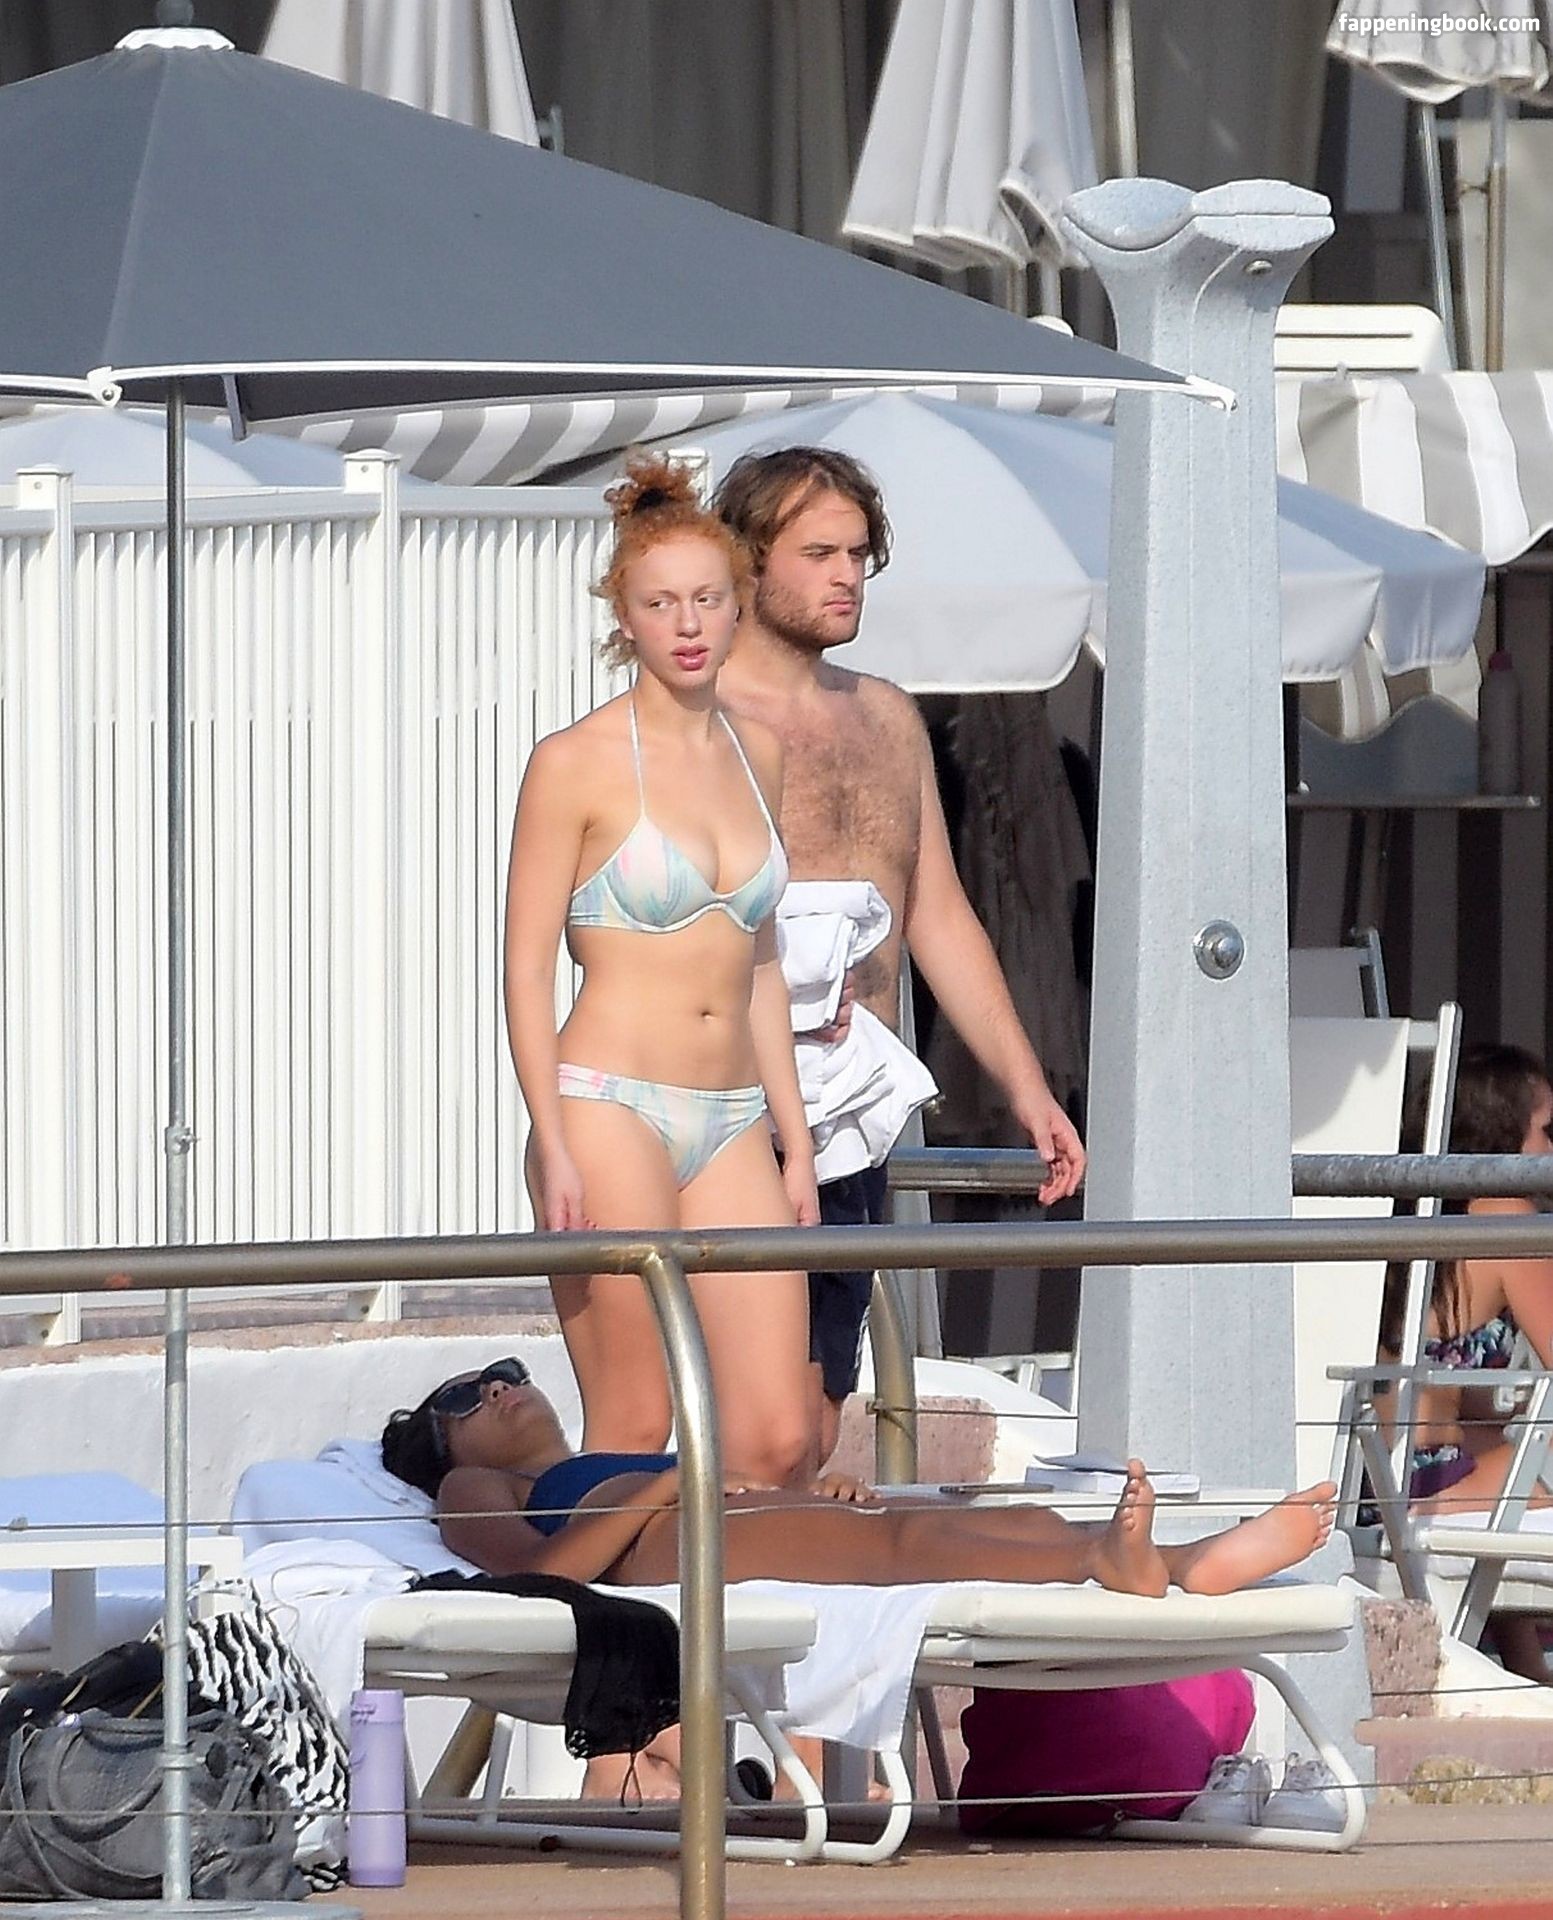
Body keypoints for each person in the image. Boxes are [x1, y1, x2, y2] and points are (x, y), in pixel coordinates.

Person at [713, 448, 1087, 1459]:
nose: (846, 576)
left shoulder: (885, 715)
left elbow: (938, 915)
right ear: (749, 560)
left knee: (812, 1419)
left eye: (858, 555)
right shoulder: (701, 723)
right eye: (818, 554)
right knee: (750, 1425)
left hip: (857, 1111)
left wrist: (1027, 1090)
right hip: (736, 1110)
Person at [502, 454, 819, 1492]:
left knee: (776, 1441)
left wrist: (795, 1138)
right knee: (635, 1421)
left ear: (738, 606)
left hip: (732, 1116)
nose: (686, 624)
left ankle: (723, 1607)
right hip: (608, 1104)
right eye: (659, 604)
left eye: (706, 600)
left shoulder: (758, 752)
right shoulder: (574, 761)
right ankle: (591, 1601)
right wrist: (551, 1139)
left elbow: (759, 957)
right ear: (624, 619)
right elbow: (523, 967)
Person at [381, 1358, 1337, 1601]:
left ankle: (1181, 1558)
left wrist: (808, 1492)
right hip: (672, 1545)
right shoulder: (476, 1489)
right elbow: (538, 1580)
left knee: (994, 1515)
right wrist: (666, 1488)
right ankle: (1102, 1560)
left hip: (714, 1519)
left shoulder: (598, 1458)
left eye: (503, 1373)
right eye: (463, 1398)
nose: (496, 1388)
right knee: (904, 1546)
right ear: (447, 1454)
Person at [1377, 1041, 1553, 1677]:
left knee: (1507, 1443)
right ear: (1505, 1133)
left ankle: (1525, 1666)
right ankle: (1527, 1671)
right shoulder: (1505, 1215)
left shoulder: (1410, 1215)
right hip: (1428, 1490)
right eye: (1546, 1132)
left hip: (1379, 1480)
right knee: (1534, 1456)